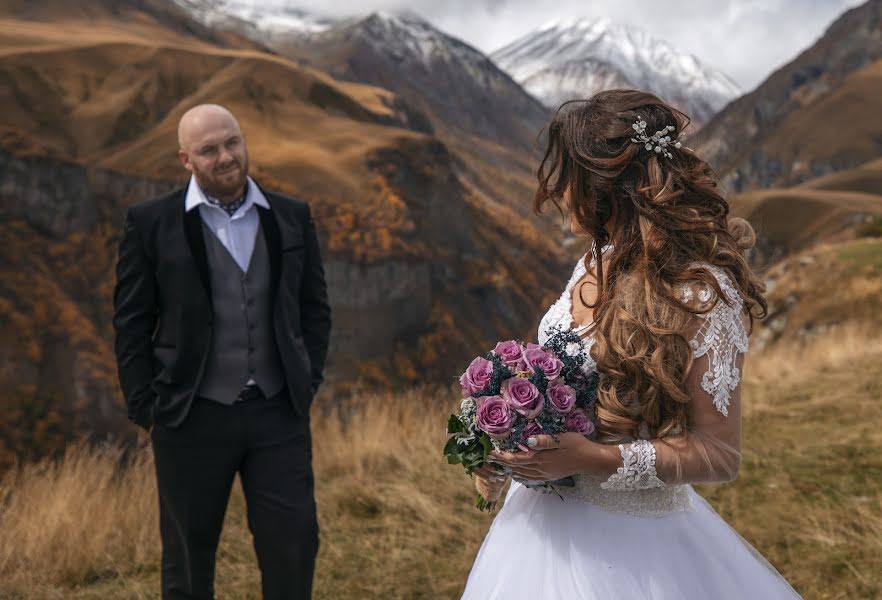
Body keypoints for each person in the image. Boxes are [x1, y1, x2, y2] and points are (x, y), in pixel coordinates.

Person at [460, 89, 801, 599]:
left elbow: (719, 454)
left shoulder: (701, 292)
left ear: (605, 187)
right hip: (537, 532)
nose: (556, 192)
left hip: (633, 551)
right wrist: (506, 441)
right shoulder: (591, 263)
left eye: (567, 177)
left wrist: (590, 458)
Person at [112, 104, 331, 600]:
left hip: (278, 415)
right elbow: (131, 322)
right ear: (185, 159)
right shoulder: (151, 223)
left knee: (294, 544)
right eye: (209, 150)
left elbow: (315, 309)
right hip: (191, 417)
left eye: (232, 142)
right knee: (189, 560)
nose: (226, 156)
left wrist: (306, 378)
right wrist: (149, 408)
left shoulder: (291, 216)